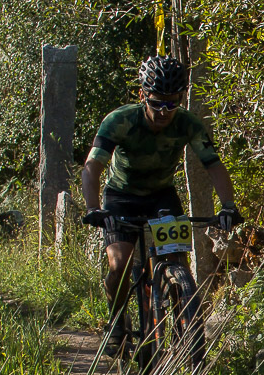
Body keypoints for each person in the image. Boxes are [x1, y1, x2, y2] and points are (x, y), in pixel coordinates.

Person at [82, 55, 240, 356]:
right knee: (119, 264)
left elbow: (213, 164)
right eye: (157, 103)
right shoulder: (120, 120)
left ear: (181, 98)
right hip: (121, 196)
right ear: (143, 95)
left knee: (176, 259)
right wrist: (93, 208)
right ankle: (116, 323)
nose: (165, 111)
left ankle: (184, 322)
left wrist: (228, 206)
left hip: (161, 195)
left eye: (172, 103)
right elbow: (92, 167)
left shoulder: (188, 123)